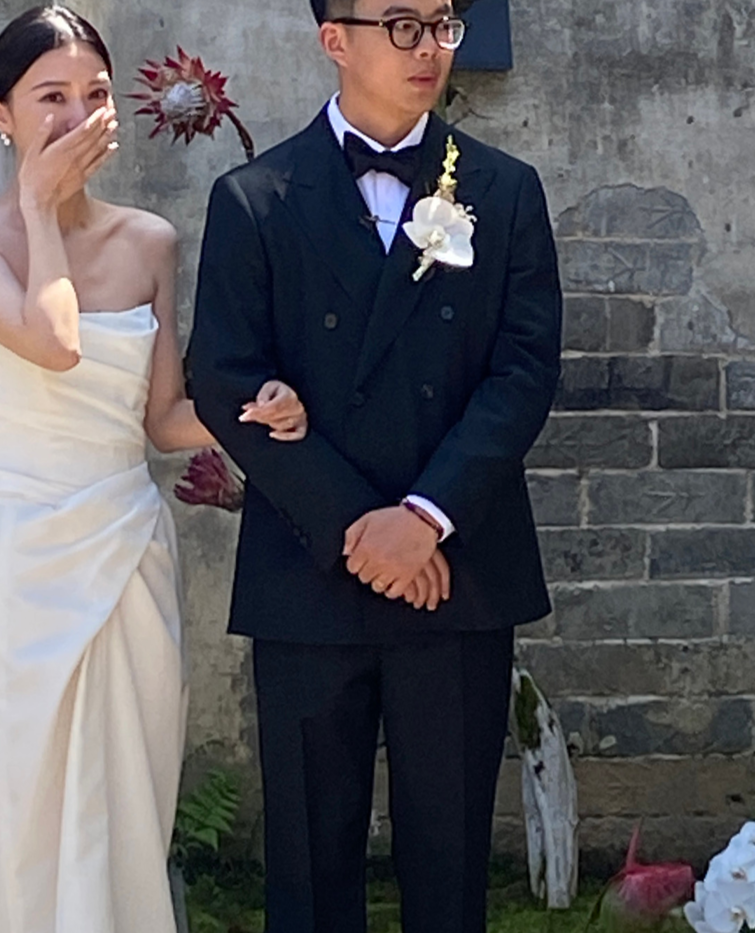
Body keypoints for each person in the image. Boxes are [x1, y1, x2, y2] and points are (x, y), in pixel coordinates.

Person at [0, 8, 307, 933]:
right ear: (0, 116)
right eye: (50, 98)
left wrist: (259, 411)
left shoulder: (150, 241)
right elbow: (55, 341)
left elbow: (161, 419)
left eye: (95, 95)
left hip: (126, 559)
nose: (78, 117)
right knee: (13, 816)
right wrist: (37, 208)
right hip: (13, 570)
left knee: (119, 814)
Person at [187, 0, 563, 930]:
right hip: (309, 570)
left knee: (451, 868)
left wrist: (424, 516)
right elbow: (224, 377)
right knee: (310, 874)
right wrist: (358, 525)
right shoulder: (255, 198)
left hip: (455, 569)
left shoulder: (505, 190)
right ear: (335, 41)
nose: (428, 47)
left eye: (442, 24)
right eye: (401, 25)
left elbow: (523, 372)